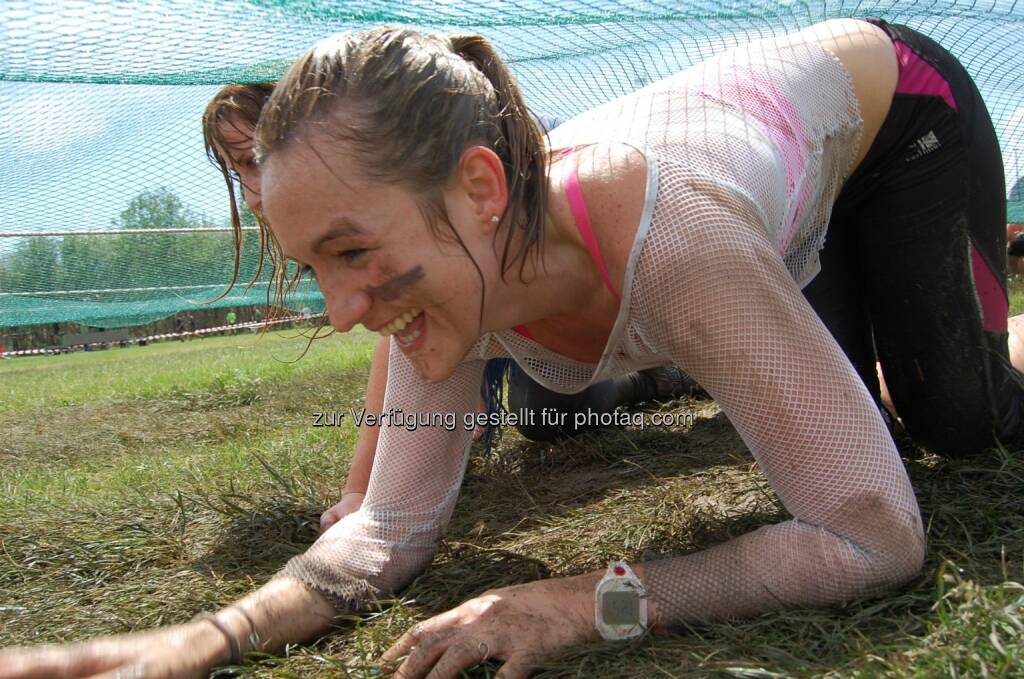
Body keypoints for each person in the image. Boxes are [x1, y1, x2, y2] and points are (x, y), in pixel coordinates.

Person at [5, 18, 1024, 679]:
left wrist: (592, 600)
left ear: (481, 189)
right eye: (318, 266)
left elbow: (872, 540)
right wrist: (207, 636)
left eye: (352, 252)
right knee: (561, 401)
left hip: (895, 120)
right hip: (774, 204)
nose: (344, 312)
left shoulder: (676, 242)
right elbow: (389, 528)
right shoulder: (443, 267)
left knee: (956, 422)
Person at [201, 82, 699, 531]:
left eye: (256, 160)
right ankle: (643, 380)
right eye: (237, 168)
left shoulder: (409, 159)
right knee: (549, 416)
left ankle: (672, 362)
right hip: (493, 292)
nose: (253, 193)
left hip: (553, 276)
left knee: (588, 362)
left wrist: (361, 491)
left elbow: (403, 321)